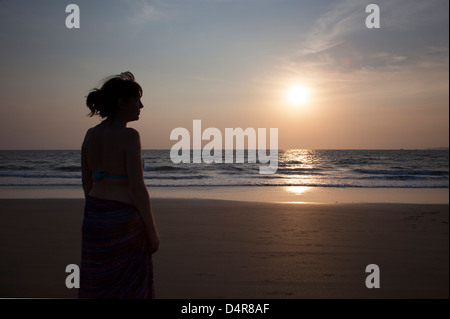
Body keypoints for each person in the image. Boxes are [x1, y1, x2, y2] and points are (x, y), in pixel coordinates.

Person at [79, 71, 159, 299]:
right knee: (129, 286)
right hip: (123, 220)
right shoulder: (130, 136)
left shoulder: (90, 135)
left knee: (100, 282)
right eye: (136, 100)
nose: (141, 105)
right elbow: (137, 188)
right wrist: (152, 232)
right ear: (121, 103)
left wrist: (98, 212)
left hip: (93, 215)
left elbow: (87, 181)